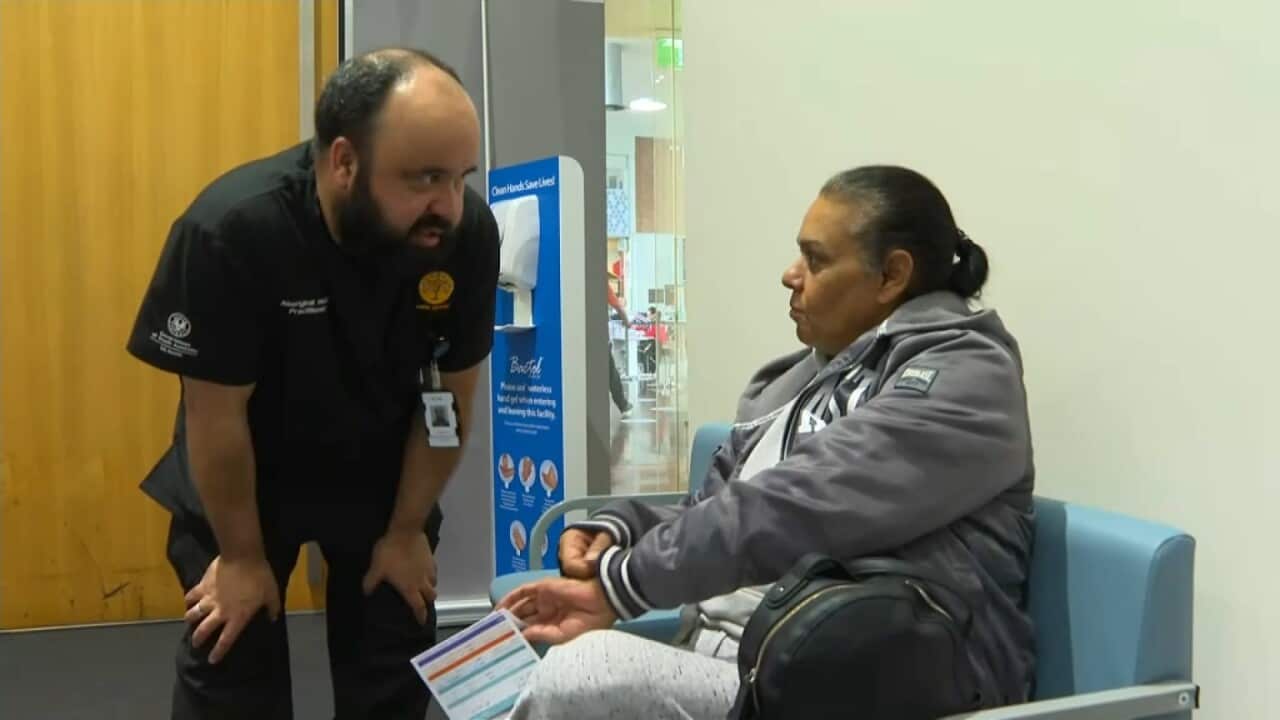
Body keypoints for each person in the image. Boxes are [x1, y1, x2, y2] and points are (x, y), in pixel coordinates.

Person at [499, 166, 1036, 718]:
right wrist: (621, 529)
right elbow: (720, 510)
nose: (790, 274)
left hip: (875, 683)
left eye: (816, 259)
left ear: (892, 276)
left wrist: (625, 583)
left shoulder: (968, 378)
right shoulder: (796, 380)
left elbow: (798, 504)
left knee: (584, 675)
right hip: (750, 660)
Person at [126, 48, 498, 719]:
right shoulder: (232, 230)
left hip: (383, 474)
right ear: (345, 162)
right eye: (424, 179)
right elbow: (215, 416)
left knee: (395, 651)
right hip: (247, 473)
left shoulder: (464, 235)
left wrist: (407, 531)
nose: (448, 204)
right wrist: (240, 558)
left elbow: (454, 399)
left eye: (460, 176)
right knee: (232, 653)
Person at [606, 272, 632, 415]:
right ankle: (623, 405)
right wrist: (627, 323)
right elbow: (618, 307)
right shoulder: (602, 284)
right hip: (599, 337)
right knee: (611, 373)